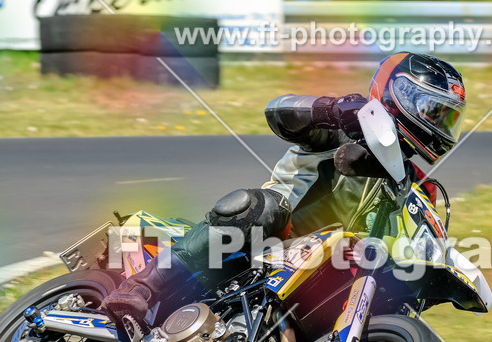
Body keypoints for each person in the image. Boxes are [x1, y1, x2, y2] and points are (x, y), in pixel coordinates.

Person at [100, 53, 467, 328]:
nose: (439, 123)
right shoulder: (348, 126)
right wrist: (330, 110)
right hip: (274, 240)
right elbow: (279, 113)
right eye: (434, 111)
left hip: (334, 268)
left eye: (447, 117)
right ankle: (143, 286)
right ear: (399, 94)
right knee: (261, 208)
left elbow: (416, 247)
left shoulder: (421, 186)